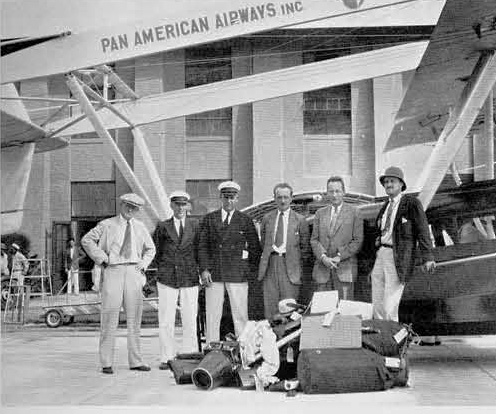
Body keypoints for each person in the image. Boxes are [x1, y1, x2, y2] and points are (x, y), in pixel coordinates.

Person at [82, 193, 156, 374]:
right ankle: (106, 362)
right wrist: (102, 259)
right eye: (127, 205)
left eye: (135, 207)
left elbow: (151, 248)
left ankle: (136, 361)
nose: (130, 210)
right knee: (109, 317)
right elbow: (86, 240)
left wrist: (143, 265)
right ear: (121, 205)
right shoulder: (107, 224)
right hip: (113, 270)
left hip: (133, 272)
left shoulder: (140, 227)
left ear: (138, 210)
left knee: (135, 318)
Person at [198, 181, 261, 343]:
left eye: (232, 198)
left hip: (238, 274)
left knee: (240, 315)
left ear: (237, 199)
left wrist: (247, 270)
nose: (229, 202)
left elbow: (255, 249)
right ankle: (211, 348)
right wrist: (204, 270)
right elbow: (202, 246)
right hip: (215, 274)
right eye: (226, 198)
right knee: (213, 315)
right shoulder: (210, 219)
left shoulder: (245, 220)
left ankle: (244, 348)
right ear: (221, 198)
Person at [371, 166, 436, 322]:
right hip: (382, 254)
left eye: (392, 181)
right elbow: (382, 231)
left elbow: (422, 230)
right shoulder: (385, 206)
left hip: (398, 256)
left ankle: (391, 337)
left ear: (401, 184)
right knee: (377, 299)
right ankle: (381, 334)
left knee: (390, 303)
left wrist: (428, 256)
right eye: (386, 182)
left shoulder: (411, 203)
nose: (388, 184)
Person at [152, 191, 200, 370]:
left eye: (183, 204)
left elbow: (199, 250)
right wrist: (163, 269)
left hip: (189, 277)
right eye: (177, 204)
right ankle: (167, 357)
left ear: (187, 206)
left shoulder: (195, 226)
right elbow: (156, 251)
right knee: (166, 319)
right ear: (171, 206)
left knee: (190, 317)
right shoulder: (163, 226)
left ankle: (190, 354)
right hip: (168, 277)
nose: (180, 208)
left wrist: (201, 271)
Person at [258, 183, 310, 319]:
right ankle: (270, 338)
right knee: (270, 307)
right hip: (270, 265)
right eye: (279, 197)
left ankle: (287, 338)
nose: (282, 201)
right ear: (274, 198)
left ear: (291, 198)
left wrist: (297, 266)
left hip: (290, 267)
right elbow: (263, 243)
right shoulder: (267, 218)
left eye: (286, 197)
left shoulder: (300, 220)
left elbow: (305, 249)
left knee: (289, 308)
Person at [311, 176, 363, 300]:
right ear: (327, 193)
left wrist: (339, 257)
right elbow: (314, 240)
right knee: (323, 311)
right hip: (322, 271)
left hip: (344, 270)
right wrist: (323, 257)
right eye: (331, 191)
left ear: (343, 192)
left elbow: (357, 240)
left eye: (337, 191)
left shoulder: (354, 212)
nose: (334, 195)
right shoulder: (319, 213)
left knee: (344, 313)